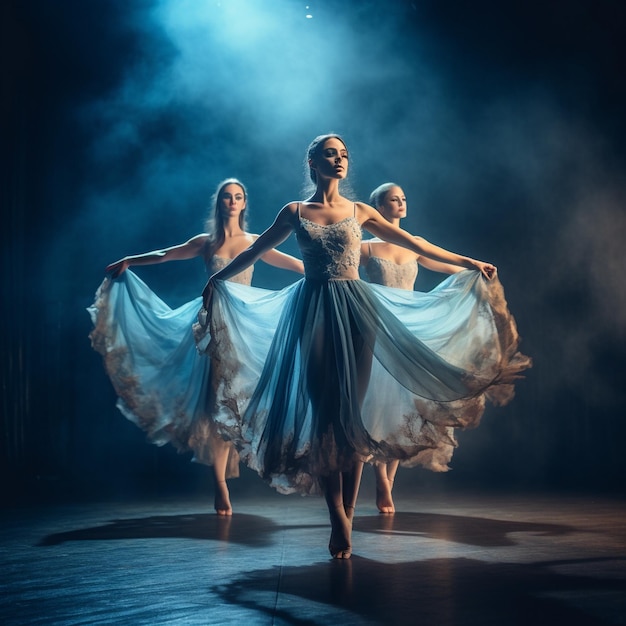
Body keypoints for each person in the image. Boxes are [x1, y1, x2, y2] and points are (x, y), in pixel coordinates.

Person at [195, 134, 531, 559]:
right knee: (324, 416)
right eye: (331, 154)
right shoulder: (295, 212)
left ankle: (348, 512)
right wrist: (216, 280)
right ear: (313, 163)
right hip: (312, 309)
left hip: (357, 312)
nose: (340, 160)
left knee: (351, 416)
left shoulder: (360, 211)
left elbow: (418, 245)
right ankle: (336, 514)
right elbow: (256, 252)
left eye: (344, 155)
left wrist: (470, 262)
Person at [88, 178, 304, 515]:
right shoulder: (207, 242)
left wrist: (333, 270)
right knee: (214, 407)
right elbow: (166, 254)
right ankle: (220, 485)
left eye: (238, 197)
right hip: (212, 326)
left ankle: (270, 460)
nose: (232, 202)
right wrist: (131, 259)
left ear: (244, 203)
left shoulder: (254, 241)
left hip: (244, 327)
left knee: (245, 403)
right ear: (219, 204)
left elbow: (297, 265)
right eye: (226, 197)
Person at [361, 182, 466, 514]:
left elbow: (447, 264)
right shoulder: (365, 247)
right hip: (377, 330)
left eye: (404, 198)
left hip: (409, 330)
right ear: (378, 206)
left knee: (405, 406)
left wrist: (474, 271)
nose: (402, 203)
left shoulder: (415, 244)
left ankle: (388, 480)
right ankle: (380, 479)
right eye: (394, 199)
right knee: (379, 403)